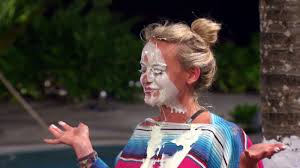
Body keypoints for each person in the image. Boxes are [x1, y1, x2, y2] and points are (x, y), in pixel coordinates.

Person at [44, 18, 286, 168]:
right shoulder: (145, 131)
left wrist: (247, 166)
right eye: (143, 69)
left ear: (191, 74)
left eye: (157, 70)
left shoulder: (220, 136)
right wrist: (85, 150)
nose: (145, 78)